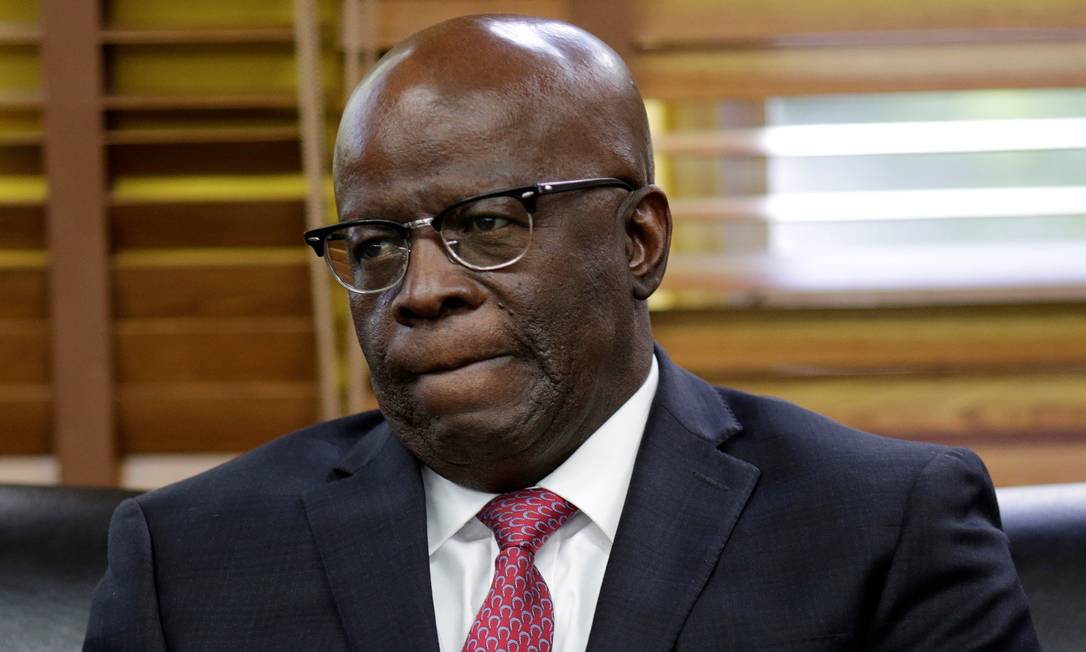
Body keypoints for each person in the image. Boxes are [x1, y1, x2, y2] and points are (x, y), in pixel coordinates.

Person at [84, 14, 1039, 651]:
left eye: (489, 224)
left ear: (638, 242)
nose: (423, 290)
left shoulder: (879, 528)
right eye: (375, 243)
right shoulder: (191, 562)